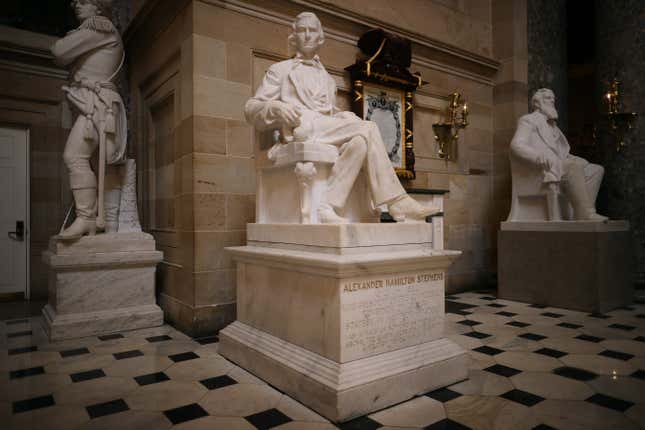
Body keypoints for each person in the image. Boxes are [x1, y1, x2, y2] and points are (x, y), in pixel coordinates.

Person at [245, 12, 438, 223]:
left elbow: (326, 112)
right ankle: (396, 200)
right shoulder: (279, 71)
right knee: (369, 127)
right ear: (294, 37)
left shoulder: (327, 79)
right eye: (302, 30)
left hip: (320, 128)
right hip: (300, 128)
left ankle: (328, 205)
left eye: (312, 30)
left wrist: (342, 115)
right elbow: (252, 109)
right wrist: (277, 108)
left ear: (320, 38)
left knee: (359, 143)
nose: (307, 35)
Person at [51, 0, 127, 237]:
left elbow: (59, 51)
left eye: (84, 1)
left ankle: (86, 218)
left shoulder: (99, 27)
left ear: (97, 7)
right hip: (95, 104)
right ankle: (91, 218)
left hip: (99, 107)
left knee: (74, 155)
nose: (76, 5)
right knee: (88, 162)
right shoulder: (98, 30)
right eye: (74, 2)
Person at [510, 88, 606, 221]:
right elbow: (516, 145)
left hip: (559, 165)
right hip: (541, 169)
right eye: (548, 98)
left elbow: (561, 152)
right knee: (572, 167)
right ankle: (586, 213)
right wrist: (538, 157)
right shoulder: (528, 120)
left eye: (553, 99)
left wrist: (576, 158)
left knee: (596, 170)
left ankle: (580, 212)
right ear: (537, 103)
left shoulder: (555, 128)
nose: (552, 101)